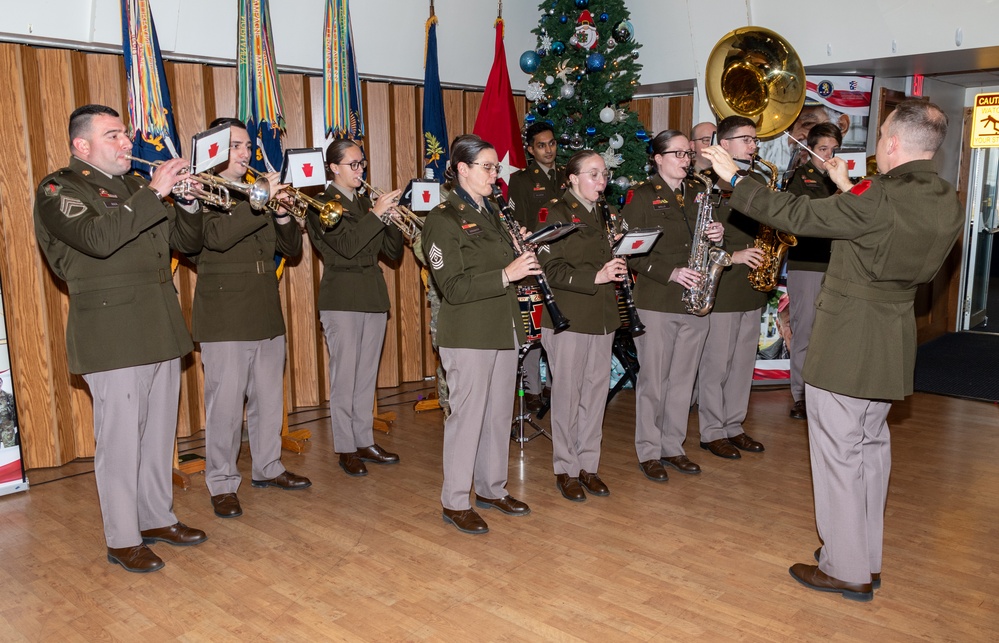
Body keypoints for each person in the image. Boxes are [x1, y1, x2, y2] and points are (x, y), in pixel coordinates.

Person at [703, 99, 962, 602]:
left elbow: (795, 213)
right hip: (891, 334)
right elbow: (882, 228)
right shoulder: (944, 198)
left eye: (881, 133)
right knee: (870, 449)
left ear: (890, 143)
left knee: (839, 454)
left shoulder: (880, 198)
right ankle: (864, 557)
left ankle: (845, 568)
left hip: (848, 337)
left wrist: (737, 179)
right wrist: (846, 185)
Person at [33, 104, 206, 573]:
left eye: (125, 133)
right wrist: (154, 192)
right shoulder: (58, 188)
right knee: (121, 439)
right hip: (112, 331)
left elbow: (185, 243)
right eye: (114, 136)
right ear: (82, 146)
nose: (127, 142)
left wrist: (186, 201)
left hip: (158, 324)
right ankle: (123, 537)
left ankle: (155, 518)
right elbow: (97, 237)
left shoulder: (133, 188)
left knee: (155, 437)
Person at [192, 117, 312, 520]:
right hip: (225, 315)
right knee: (225, 405)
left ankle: (268, 467)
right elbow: (215, 239)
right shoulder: (203, 191)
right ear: (214, 150)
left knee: (268, 398)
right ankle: (222, 482)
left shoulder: (253, 191)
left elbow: (291, 250)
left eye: (247, 147)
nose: (245, 154)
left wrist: (282, 214)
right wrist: (260, 200)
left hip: (264, 308)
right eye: (236, 146)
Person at [422, 134, 538, 534]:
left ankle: (491, 488)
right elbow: (452, 287)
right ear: (462, 169)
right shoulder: (443, 218)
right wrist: (508, 272)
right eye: (487, 167)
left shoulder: (493, 213)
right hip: (468, 333)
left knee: (497, 415)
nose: (495, 174)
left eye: (496, 167)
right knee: (468, 418)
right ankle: (455, 501)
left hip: (502, 329)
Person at [621, 130, 725, 482]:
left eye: (687, 154)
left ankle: (673, 446)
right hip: (658, 300)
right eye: (678, 153)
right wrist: (670, 272)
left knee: (683, 380)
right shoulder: (641, 195)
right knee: (654, 380)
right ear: (658, 158)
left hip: (694, 300)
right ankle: (649, 450)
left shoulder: (699, 192)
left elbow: (703, 240)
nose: (686, 159)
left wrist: (716, 236)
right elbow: (629, 252)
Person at [307, 140, 403, 477]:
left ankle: (364, 440)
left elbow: (393, 254)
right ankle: (345, 447)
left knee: (365, 377)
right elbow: (346, 247)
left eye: (362, 164)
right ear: (333, 167)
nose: (360, 170)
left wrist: (389, 219)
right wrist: (376, 214)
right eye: (353, 164)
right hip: (342, 297)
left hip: (372, 296)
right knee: (344, 376)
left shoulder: (365, 203)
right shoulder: (320, 204)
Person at [537, 150, 627, 501]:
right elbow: (552, 269)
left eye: (604, 174)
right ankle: (566, 468)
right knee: (567, 396)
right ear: (572, 178)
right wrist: (597, 275)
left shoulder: (606, 213)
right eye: (593, 174)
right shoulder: (555, 212)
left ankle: (588, 465)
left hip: (602, 317)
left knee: (594, 394)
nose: (601, 181)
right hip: (569, 317)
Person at [695, 115, 768, 461]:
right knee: (717, 363)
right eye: (746, 139)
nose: (753, 146)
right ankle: (711, 431)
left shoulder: (755, 180)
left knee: (742, 362)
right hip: (722, 280)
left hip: (752, 285)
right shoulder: (705, 183)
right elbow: (694, 240)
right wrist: (733, 255)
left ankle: (733, 425)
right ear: (724, 145)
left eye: (755, 140)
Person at [784, 122, 842, 420]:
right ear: (809, 150)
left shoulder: (841, 179)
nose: (829, 155)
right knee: (805, 331)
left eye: (834, 150)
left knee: (830, 334)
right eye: (823, 150)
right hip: (807, 265)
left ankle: (826, 393)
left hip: (838, 268)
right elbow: (804, 216)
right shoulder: (800, 179)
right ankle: (801, 396)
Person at [507, 122, 566, 413]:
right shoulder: (521, 179)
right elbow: (518, 222)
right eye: (541, 145)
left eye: (552, 143)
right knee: (534, 329)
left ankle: (556, 387)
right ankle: (531, 389)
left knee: (557, 326)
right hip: (534, 261)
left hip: (565, 259)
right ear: (530, 150)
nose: (548, 150)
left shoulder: (567, 174)